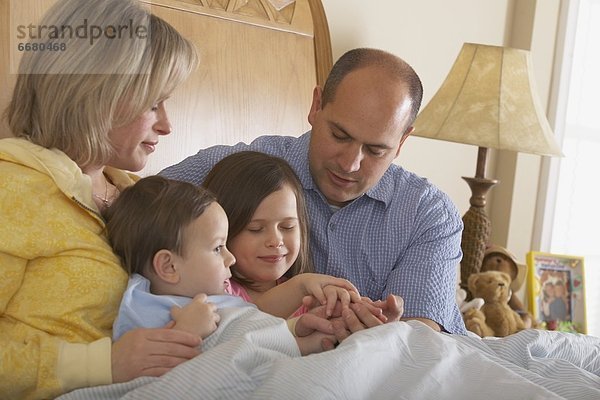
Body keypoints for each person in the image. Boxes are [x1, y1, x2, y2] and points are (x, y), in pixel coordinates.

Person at [161, 47, 466, 335]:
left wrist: (383, 331)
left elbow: (419, 339)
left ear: (401, 142)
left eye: (375, 150)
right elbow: (134, 201)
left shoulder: (429, 213)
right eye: (339, 135)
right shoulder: (239, 172)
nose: (350, 164)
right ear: (316, 106)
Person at [0, 0, 200, 398]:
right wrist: (102, 363)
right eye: (152, 102)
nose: (167, 124)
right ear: (96, 94)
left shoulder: (133, 191)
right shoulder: (13, 192)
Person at [106, 175, 361, 355]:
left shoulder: (213, 298)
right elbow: (152, 370)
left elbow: (253, 333)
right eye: (218, 248)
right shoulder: (145, 304)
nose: (231, 258)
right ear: (169, 267)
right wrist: (186, 332)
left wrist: (301, 338)